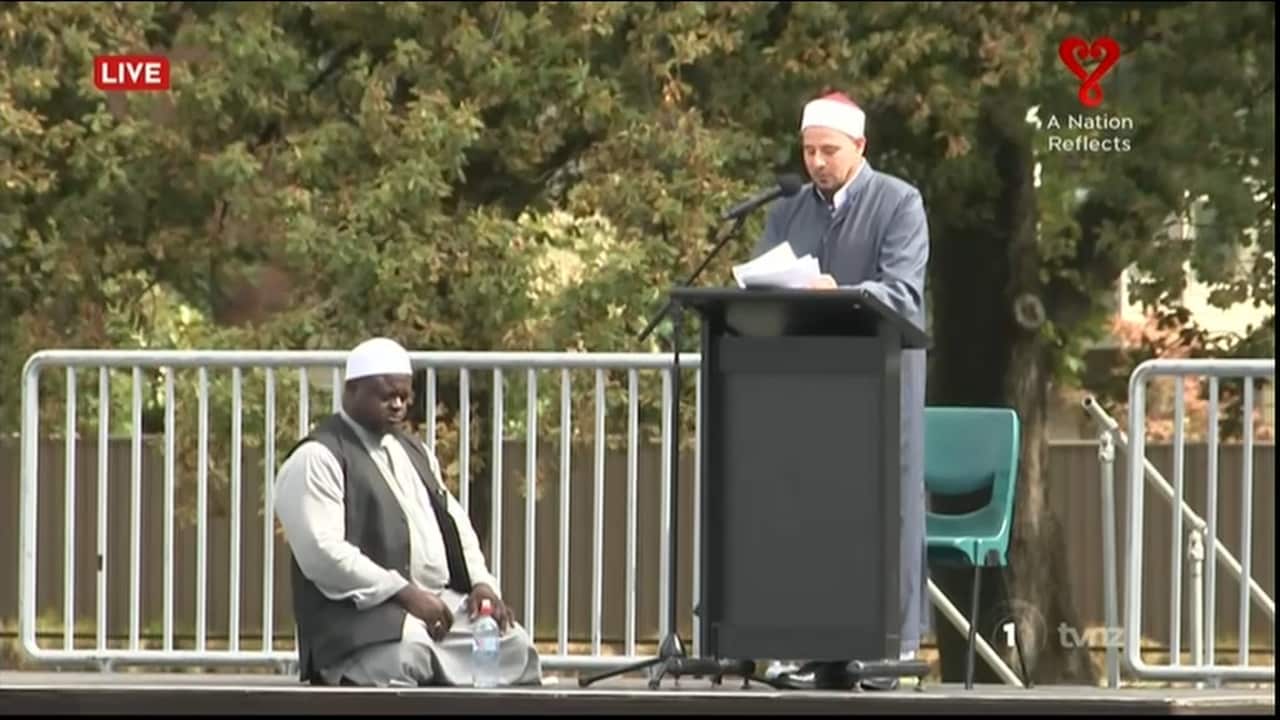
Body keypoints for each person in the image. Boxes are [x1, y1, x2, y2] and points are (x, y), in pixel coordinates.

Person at [753, 90, 930, 690]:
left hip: (878, 385)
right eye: (808, 151)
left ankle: (884, 649)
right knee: (808, 512)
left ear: (860, 147)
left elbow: (904, 294)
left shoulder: (899, 202)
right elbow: (761, 282)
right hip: (808, 386)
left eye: (829, 150)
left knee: (884, 511)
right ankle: (809, 645)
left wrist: (844, 293)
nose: (817, 163)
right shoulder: (790, 209)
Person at [273, 337, 543, 687]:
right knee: (409, 654)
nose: (398, 404)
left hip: (435, 606)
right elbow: (322, 553)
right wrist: (403, 592)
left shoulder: (415, 451)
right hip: (360, 616)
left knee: (512, 647)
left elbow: (454, 523)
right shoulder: (317, 457)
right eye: (386, 396)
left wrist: (482, 584)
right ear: (352, 390)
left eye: (405, 396)